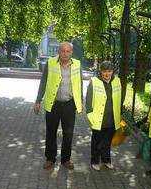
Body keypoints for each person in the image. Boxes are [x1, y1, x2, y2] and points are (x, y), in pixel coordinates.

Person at [33, 42, 83, 170]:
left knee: (68, 133)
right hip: (53, 103)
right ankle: (50, 158)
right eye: (63, 51)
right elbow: (43, 82)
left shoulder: (77, 64)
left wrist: (80, 102)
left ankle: (66, 159)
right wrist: (38, 100)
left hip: (69, 104)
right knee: (51, 132)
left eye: (68, 51)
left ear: (71, 52)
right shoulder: (50, 63)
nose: (65, 54)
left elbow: (79, 83)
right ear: (58, 52)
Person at [86, 61, 121, 171]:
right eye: (104, 71)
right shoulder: (94, 82)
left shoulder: (117, 81)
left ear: (112, 72)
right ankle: (95, 161)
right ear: (100, 72)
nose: (107, 74)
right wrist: (90, 116)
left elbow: (120, 97)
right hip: (98, 118)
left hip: (112, 118)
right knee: (97, 142)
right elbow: (88, 101)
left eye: (109, 71)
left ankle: (106, 160)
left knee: (107, 142)